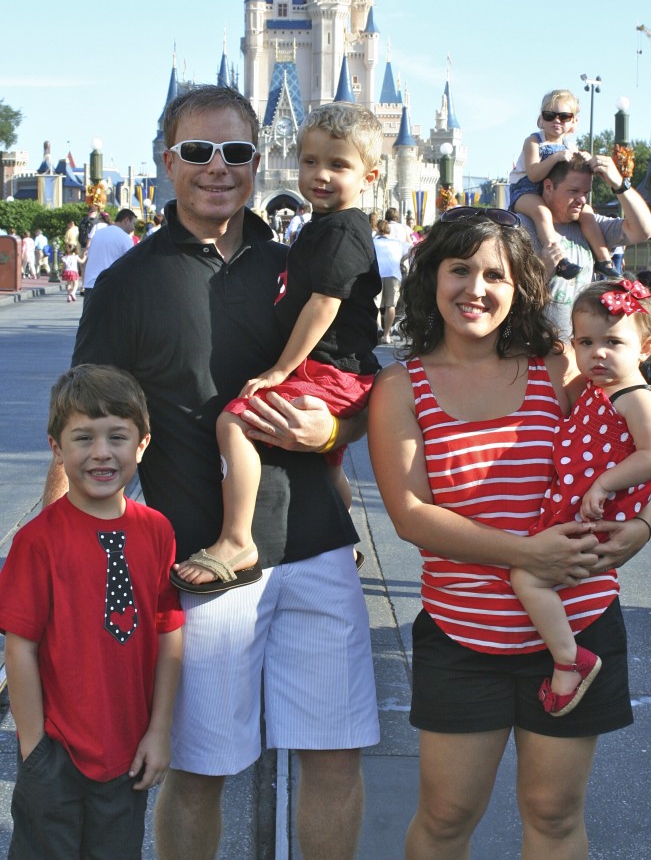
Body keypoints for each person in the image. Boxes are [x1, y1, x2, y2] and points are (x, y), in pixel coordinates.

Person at [42, 84, 379, 860]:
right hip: (202, 562)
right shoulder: (128, 284)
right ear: (168, 162)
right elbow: (86, 424)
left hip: (318, 549)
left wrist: (335, 426)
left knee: (333, 758)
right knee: (200, 771)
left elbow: (361, 382)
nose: (218, 168)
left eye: (236, 152)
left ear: (260, 161)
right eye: (199, 152)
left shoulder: (298, 261)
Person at [367, 205, 651, 860]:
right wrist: (526, 554)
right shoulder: (401, 387)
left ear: (522, 284)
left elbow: (634, 439)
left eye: (495, 274)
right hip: (464, 638)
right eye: (459, 269)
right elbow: (412, 516)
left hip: (579, 629)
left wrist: (638, 526)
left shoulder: (558, 367)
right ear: (431, 278)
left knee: (554, 816)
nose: (476, 289)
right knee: (445, 818)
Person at [173, 102, 381, 590]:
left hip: (326, 370)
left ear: (369, 177)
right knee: (328, 467)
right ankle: (342, 538)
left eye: (338, 165)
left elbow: (324, 306)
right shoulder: (321, 228)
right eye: (310, 162)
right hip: (339, 371)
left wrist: (282, 370)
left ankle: (236, 538)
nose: (320, 175)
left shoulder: (344, 231)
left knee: (234, 423)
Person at [0, 364, 184, 860]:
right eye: (82, 438)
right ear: (57, 450)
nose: (101, 452)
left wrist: (160, 729)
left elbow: (169, 633)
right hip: (55, 751)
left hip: (127, 749)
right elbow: (20, 646)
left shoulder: (158, 532)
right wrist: (35, 747)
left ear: (142, 444)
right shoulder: (37, 542)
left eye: (117, 436)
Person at [509, 279, 651, 717]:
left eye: (613, 341)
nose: (597, 352)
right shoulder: (601, 392)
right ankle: (566, 655)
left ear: (646, 347)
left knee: (527, 576)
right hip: (583, 504)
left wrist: (604, 484)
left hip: (599, 511)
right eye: (586, 341)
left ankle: (569, 660)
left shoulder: (636, 397)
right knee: (529, 574)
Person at [516, 152, 651, 341]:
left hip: (579, 355)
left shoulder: (591, 225)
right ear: (548, 187)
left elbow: (644, 229)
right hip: (532, 351)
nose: (582, 200)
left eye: (586, 193)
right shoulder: (520, 228)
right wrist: (545, 270)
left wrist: (619, 184)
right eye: (573, 191)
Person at [509, 90, 619, 281]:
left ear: (574, 123)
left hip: (554, 193)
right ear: (540, 120)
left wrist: (587, 159)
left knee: (587, 212)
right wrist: (555, 158)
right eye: (549, 115)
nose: (556, 120)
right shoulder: (534, 141)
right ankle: (558, 258)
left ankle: (603, 260)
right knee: (542, 212)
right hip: (525, 191)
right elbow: (534, 175)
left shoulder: (570, 147)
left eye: (564, 116)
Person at [82, 208, 136, 297]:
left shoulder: (98, 234)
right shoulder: (125, 238)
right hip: (109, 286)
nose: (133, 228)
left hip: (90, 285)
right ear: (126, 220)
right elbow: (132, 265)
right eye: (133, 223)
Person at [374, 218, 410, 344]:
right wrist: (401, 259)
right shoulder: (397, 243)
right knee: (391, 305)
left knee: (375, 305)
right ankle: (387, 334)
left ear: (378, 230)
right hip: (393, 274)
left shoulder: (373, 242)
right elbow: (412, 249)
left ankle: (378, 328)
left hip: (376, 274)